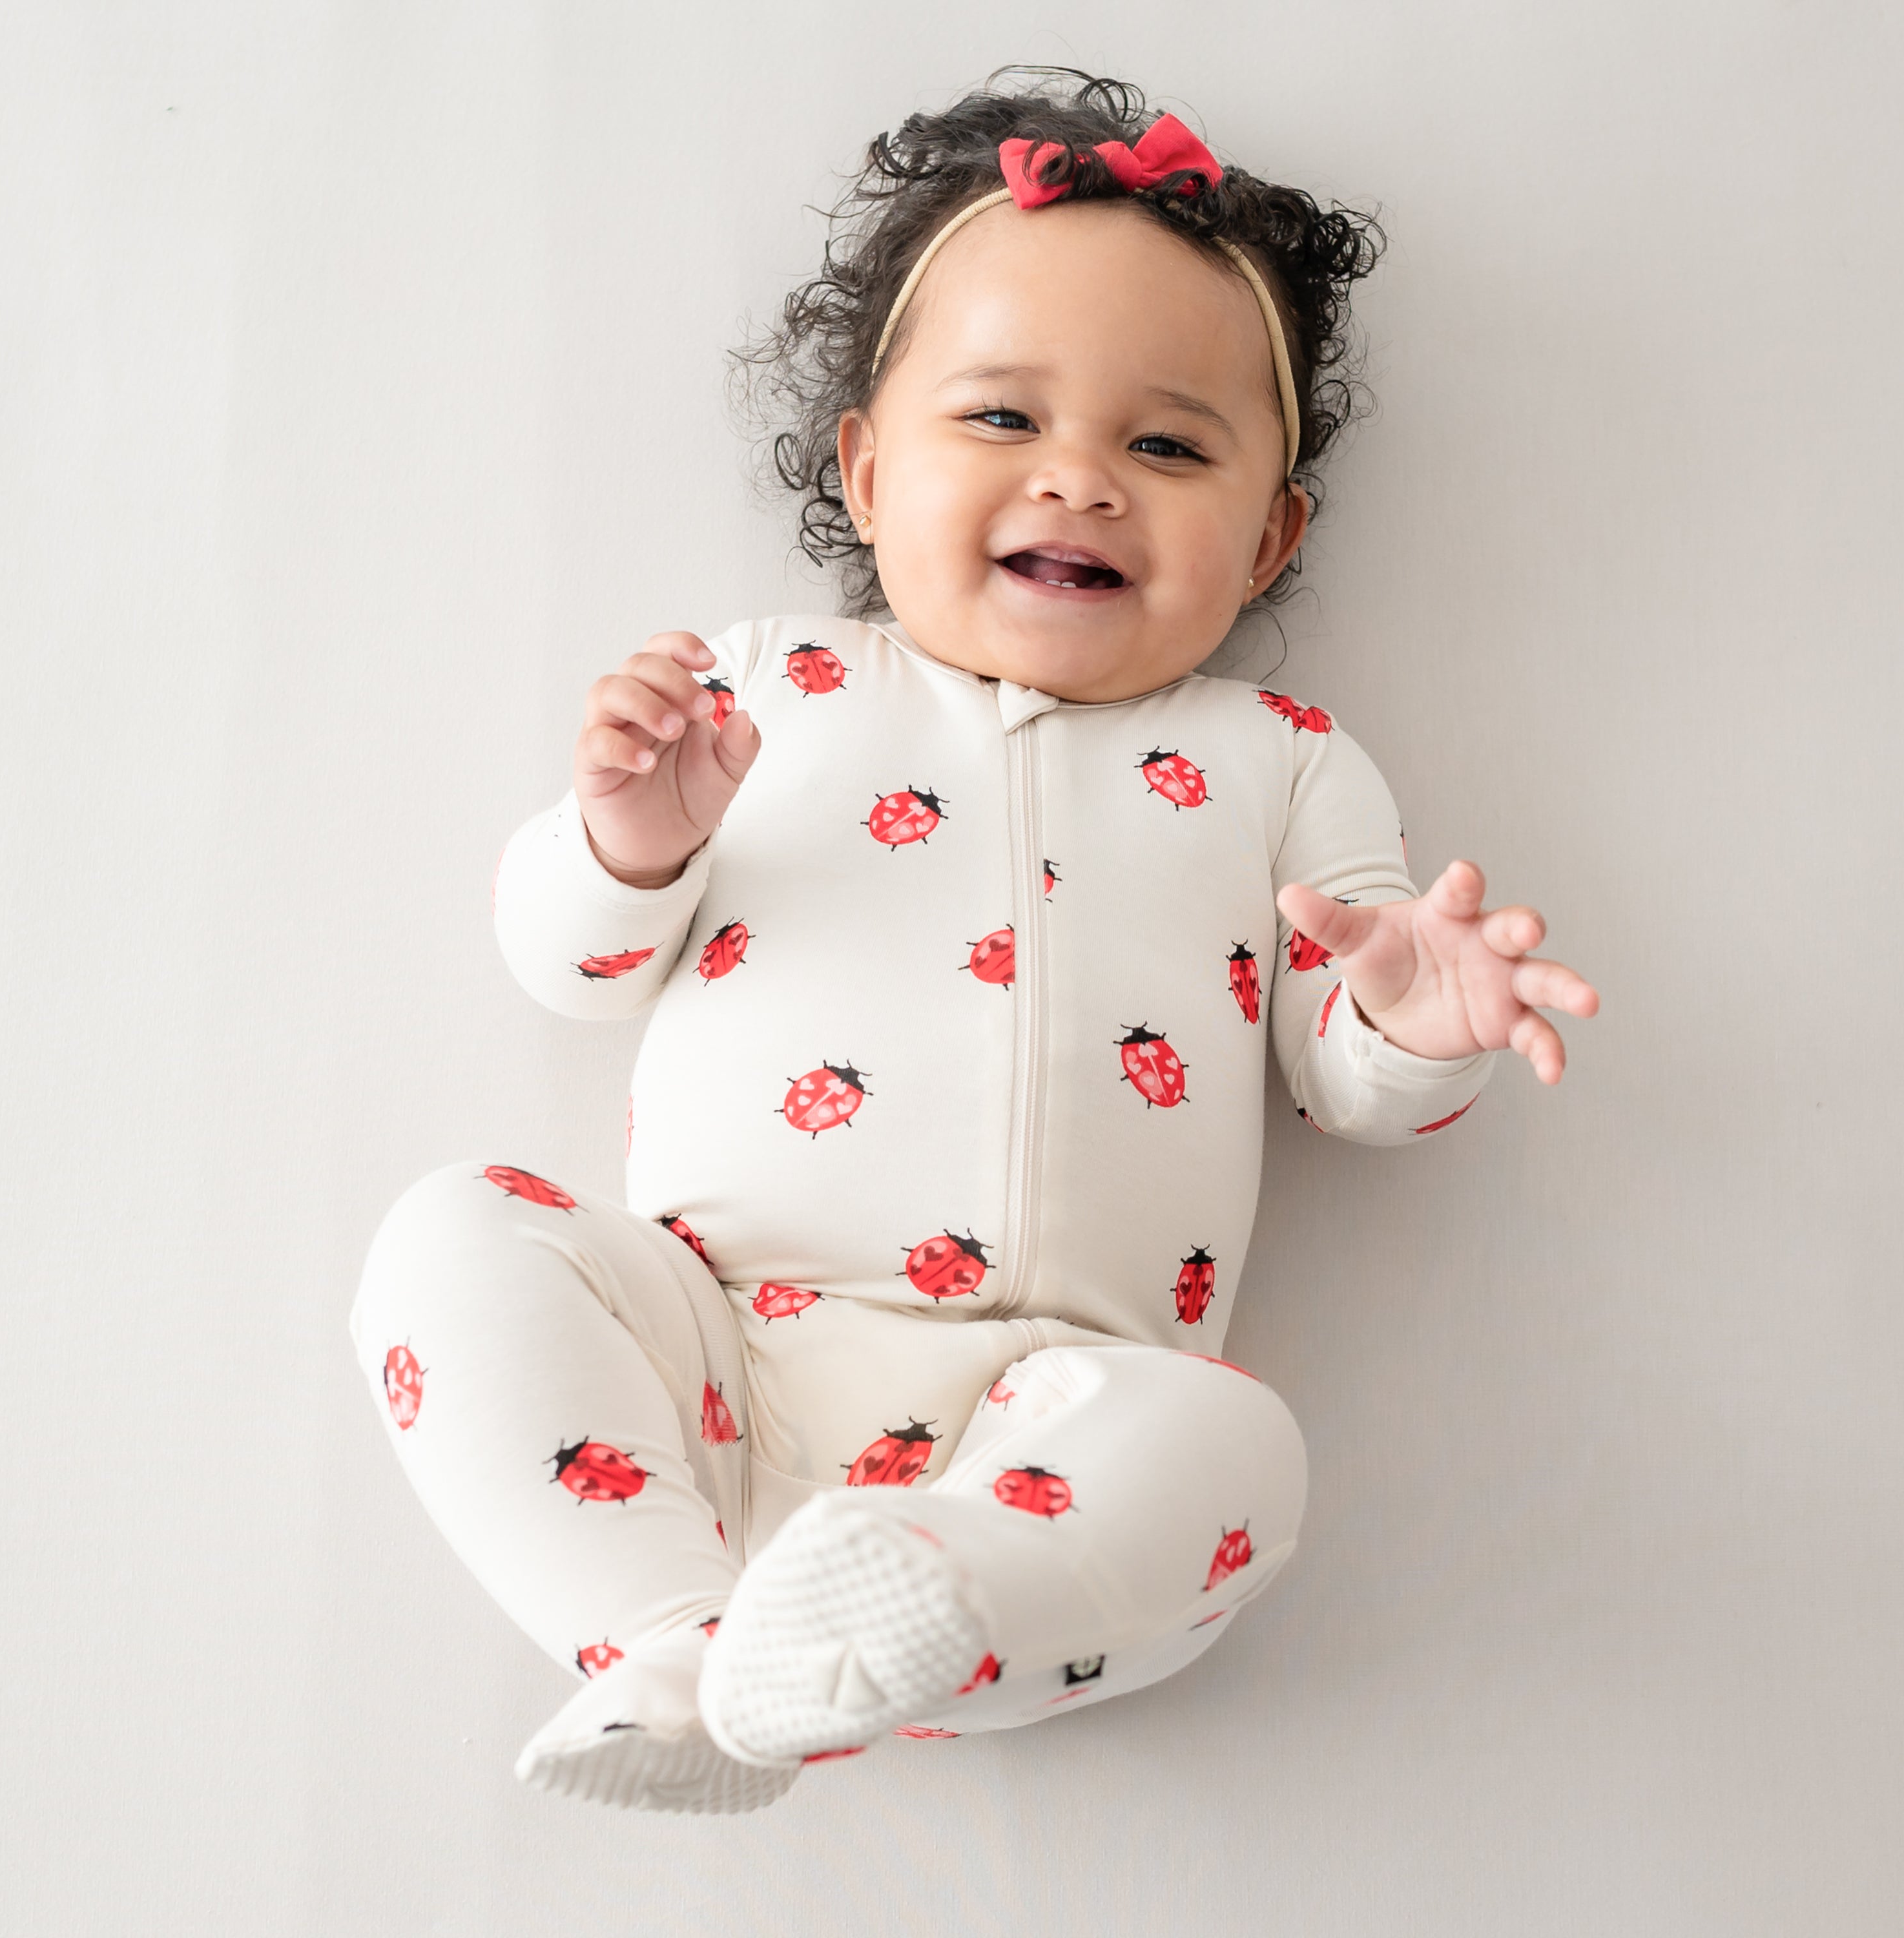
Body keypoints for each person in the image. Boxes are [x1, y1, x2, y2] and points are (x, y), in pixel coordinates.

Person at [350, 69, 1599, 1816]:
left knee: (1238, 1445)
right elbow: (564, 965)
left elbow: (1350, 1079)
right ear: (866, 471)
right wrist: (629, 839)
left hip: (1057, 1415)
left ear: (1270, 535)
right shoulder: (769, 687)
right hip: (715, 1343)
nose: (1080, 480)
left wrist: (1417, 1018)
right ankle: (671, 1646)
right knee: (454, 1239)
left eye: (1166, 447)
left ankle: (927, 1609)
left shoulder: (1282, 763)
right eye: (1002, 421)